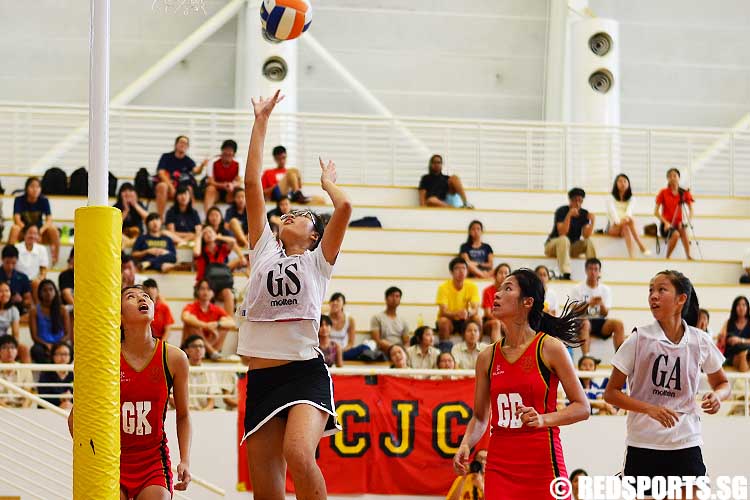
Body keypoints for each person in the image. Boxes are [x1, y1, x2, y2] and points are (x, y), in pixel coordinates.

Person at [237, 91, 352, 500]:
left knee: (299, 454)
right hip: (262, 377)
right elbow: (251, 182)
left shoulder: (319, 262)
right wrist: (261, 121)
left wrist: (327, 185)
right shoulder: (264, 249)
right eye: (289, 212)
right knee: (266, 492)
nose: (291, 214)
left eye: (302, 216)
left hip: (304, 371)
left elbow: (346, 207)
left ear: (315, 235)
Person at [453, 268, 590, 499]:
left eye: (508, 288)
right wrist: (466, 443)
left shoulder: (550, 348)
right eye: (498, 288)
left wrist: (542, 418)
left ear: (527, 302)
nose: (497, 294)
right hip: (500, 464)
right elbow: (479, 417)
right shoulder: (487, 356)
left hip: (542, 461)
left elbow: (582, 407)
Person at [604, 270, 730, 497]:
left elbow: (723, 383)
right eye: (651, 290)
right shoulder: (638, 339)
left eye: (661, 290)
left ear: (681, 299)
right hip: (644, 444)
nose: (653, 295)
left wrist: (718, 396)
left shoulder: (699, 340)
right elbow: (611, 394)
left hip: (686, 442)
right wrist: (649, 408)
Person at [68, 285, 192, 498]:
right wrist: (94, 455)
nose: (141, 298)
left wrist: (185, 460)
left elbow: (183, 415)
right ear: (120, 316)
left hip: (152, 460)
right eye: (131, 297)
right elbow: (75, 418)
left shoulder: (174, 358)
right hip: (112, 459)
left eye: (146, 296)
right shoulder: (106, 359)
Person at [570, 258, 625, 354]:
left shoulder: (605, 289)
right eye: (590, 269)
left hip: (599, 321)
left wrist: (601, 304)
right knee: (585, 323)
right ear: (586, 271)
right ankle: (586, 358)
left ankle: (620, 358)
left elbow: (605, 313)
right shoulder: (577, 288)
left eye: (596, 269)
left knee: (618, 324)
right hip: (582, 321)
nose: (593, 272)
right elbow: (574, 310)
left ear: (599, 272)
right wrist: (588, 304)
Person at [544, 188, 596, 280]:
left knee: (589, 242)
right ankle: (566, 273)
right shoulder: (562, 211)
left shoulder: (584, 213)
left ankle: (593, 270)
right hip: (553, 246)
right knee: (564, 239)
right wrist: (569, 215)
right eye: (575, 200)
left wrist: (592, 221)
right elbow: (562, 232)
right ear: (570, 200)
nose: (578, 203)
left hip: (571, 248)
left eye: (580, 201)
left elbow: (585, 235)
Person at [9, 177, 60, 264]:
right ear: (26, 188)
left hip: (39, 232)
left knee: (53, 230)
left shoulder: (44, 200)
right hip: (24, 231)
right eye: (32, 186)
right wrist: (28, 232)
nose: (35, 189)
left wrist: (40, 231)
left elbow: (49, 219)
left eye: (38, 187)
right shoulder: (19, 199)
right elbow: (16, 218)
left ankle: (55, 258)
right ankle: (10, 256)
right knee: (15, 228)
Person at [155, 135, 207, 218]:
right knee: (162, 186)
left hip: (181, 188)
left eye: (186, 144)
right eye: (181, 142)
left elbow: (196, 171)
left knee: (189, 189)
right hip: (168, 186)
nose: (183, 145)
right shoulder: (166, 157)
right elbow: (161, 173)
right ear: (176, 145)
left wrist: (202, 165)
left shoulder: (188, 160)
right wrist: (171, 187)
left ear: (187, 147)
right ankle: (159, 218)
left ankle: (191, 219)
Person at [181, 280, 235, 360]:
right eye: (202, 289)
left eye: (209, 289)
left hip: (211, 344)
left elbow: (232, 323)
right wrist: (206, 326)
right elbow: (185, 317)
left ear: (213, 293)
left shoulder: (216, 309)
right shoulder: (191, 306)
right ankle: (211, 351)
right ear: (197, 291)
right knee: (191, 324)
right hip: (192, 349)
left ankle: (210, 351)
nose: (205, 292)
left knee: (224, 325)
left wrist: (217, 324)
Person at [436, 257, 481, 346]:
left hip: (465, 319)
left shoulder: (472, 286)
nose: (461, 271)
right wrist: (457, 313)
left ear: (467, 271)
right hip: (450, 319)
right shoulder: (443, 287)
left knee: (477, 319)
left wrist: (468, 313)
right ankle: (445, 351)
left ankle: (478, 349)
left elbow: (475, 309)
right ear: (451, 272)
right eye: (457, 268)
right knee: (443, 321)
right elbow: (443, 311)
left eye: (463, 268)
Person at [193, 225, 235, 315]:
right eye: (205, 233)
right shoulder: (201, 250)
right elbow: (196, 252)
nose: (208, 234)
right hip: (205, 285)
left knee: (228, 293)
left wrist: (219, 237)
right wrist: (198, 235)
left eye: (210, 232)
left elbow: (233, 242)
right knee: (207, 292)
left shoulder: (221, 248)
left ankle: (229, 321)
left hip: (221, 284)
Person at [654, 168, 695, 260]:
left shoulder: (684, 192)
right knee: (675, 234)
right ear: (667, 179)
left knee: (683, 230)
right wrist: (665, 222)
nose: (672, 178)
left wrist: (686, 222)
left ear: (679, 178)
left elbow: (691, 210)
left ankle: (688, 256)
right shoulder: (663, 192)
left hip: (679, 224)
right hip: (666, 225)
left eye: (675, 175)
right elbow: (655, 212)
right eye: (670, 176)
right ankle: (668, 257)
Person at [607, 174, 650, 258]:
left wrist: (625, 220)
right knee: (630, 221)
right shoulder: (610, 198)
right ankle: (641, 245)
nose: (622, 183)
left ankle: (631, 256)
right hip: (613, 227)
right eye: (620, 181)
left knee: (627, 226)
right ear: (616, 184)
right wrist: (619, 222)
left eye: (625, 181)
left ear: (628, 184)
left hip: (625, 225)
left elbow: (629, 212)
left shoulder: (632, 199)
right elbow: (613, 213)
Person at [30, 280, 71, 364]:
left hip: (60, 343)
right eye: (44, 290)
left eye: (51, 289)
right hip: (43, 345)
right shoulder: (34, 311)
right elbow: (34, 336)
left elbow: (67, 334)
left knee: (70, 350)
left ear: (55, 292)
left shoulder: (62, 309)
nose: (48, 292)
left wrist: (57, 345)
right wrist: (47, 345)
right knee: (36, 350)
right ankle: (47, 374)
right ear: (40, 293)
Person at [370, 286, 410, 357]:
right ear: (386, 299)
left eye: (397, 296)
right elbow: (376, 340)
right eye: (391, 296)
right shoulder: (377, 317)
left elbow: (406, 342)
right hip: (383, 352)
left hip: (400, 352)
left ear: (400, 300)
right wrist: (393, 348)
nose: (394, 299)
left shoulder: (404, 320)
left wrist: (402, 351)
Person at [203, 139, 242, 210]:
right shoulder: (213, 161)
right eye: (226, 150)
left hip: (230, 191)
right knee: (210, 189)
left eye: (230, 151)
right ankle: (208, 216)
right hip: (216, 190)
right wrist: (223, 185)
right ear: (222, 151)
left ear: (234, 153)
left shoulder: (238, 163)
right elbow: (210, 181)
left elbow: (239, 181)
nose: (228, 153)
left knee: (240, 193)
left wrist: (232, 185)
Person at [15, 224, 49, 301]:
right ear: (24, 234)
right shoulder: (16, 247)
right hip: (19, 280)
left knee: (36, 283)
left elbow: (43, 270)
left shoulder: (42, 249)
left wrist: (40, 279)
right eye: (30, 233)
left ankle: (38, 310)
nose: (32, 236)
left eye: (35, 233)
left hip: (34, 281)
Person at [717, 296, 750, 372]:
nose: (741, 307)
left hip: (748, 352)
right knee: (742, 356)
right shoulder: (729, 322)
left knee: (744, 355)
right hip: (733, 353)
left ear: (748, 307)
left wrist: (740, 340)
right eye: (738, 305)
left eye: (744, 305)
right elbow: (721, 340)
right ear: (735, 307)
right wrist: (723, 338)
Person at [0, 335, 34, 408]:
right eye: (4, 348)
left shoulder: (24, 369)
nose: (9, 351)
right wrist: (6, 407)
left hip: (20, 408)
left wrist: (23, 409)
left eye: (12, 347)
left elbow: (28, 393)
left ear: (17, 351)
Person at [0, 282, 30, 363]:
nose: (4, 294)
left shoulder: (13, 310)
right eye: (1, 291)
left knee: (24, 348)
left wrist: (12, 348)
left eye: (7, 291)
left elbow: (16, 335)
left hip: (4, 342)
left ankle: (27, 374)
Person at [38, 341, 74, 409]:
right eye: (59, 354)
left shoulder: (74, 375)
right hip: (49, 410)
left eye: (65, 354)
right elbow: (42, 396)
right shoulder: (45, 373)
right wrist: (59, 398)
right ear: (53, 356)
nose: (63, 357)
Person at [481, 263, 510, 342]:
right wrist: (502, 321)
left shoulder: (511, 293)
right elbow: (488, 313)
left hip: (506, 322)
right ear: (495, 275)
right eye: (500, 273)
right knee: (497, 323)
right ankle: (496, 352)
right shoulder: (487, 291)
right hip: (490, 322)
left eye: (506, 273)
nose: (503, 276)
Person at [114, 182, 149, 248]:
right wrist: (126, 211)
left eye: (130, 190)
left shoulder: (139, 204)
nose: (127, 193)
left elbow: (149, 219)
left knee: (142, 238)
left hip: (137, 235)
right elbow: (115, 225)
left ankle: (128, 244)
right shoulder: (116, 206)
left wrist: (135, 205)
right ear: (120, 194)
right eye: (124, 191)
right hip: (122, 235)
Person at [0, 245, 32, 315]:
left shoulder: (23, 277)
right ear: (2, 260)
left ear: (17, 261)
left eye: (13, 263)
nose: (10, 266)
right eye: (7, 262)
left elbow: (29, 302)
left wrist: (22, 300)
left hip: (18, 312)